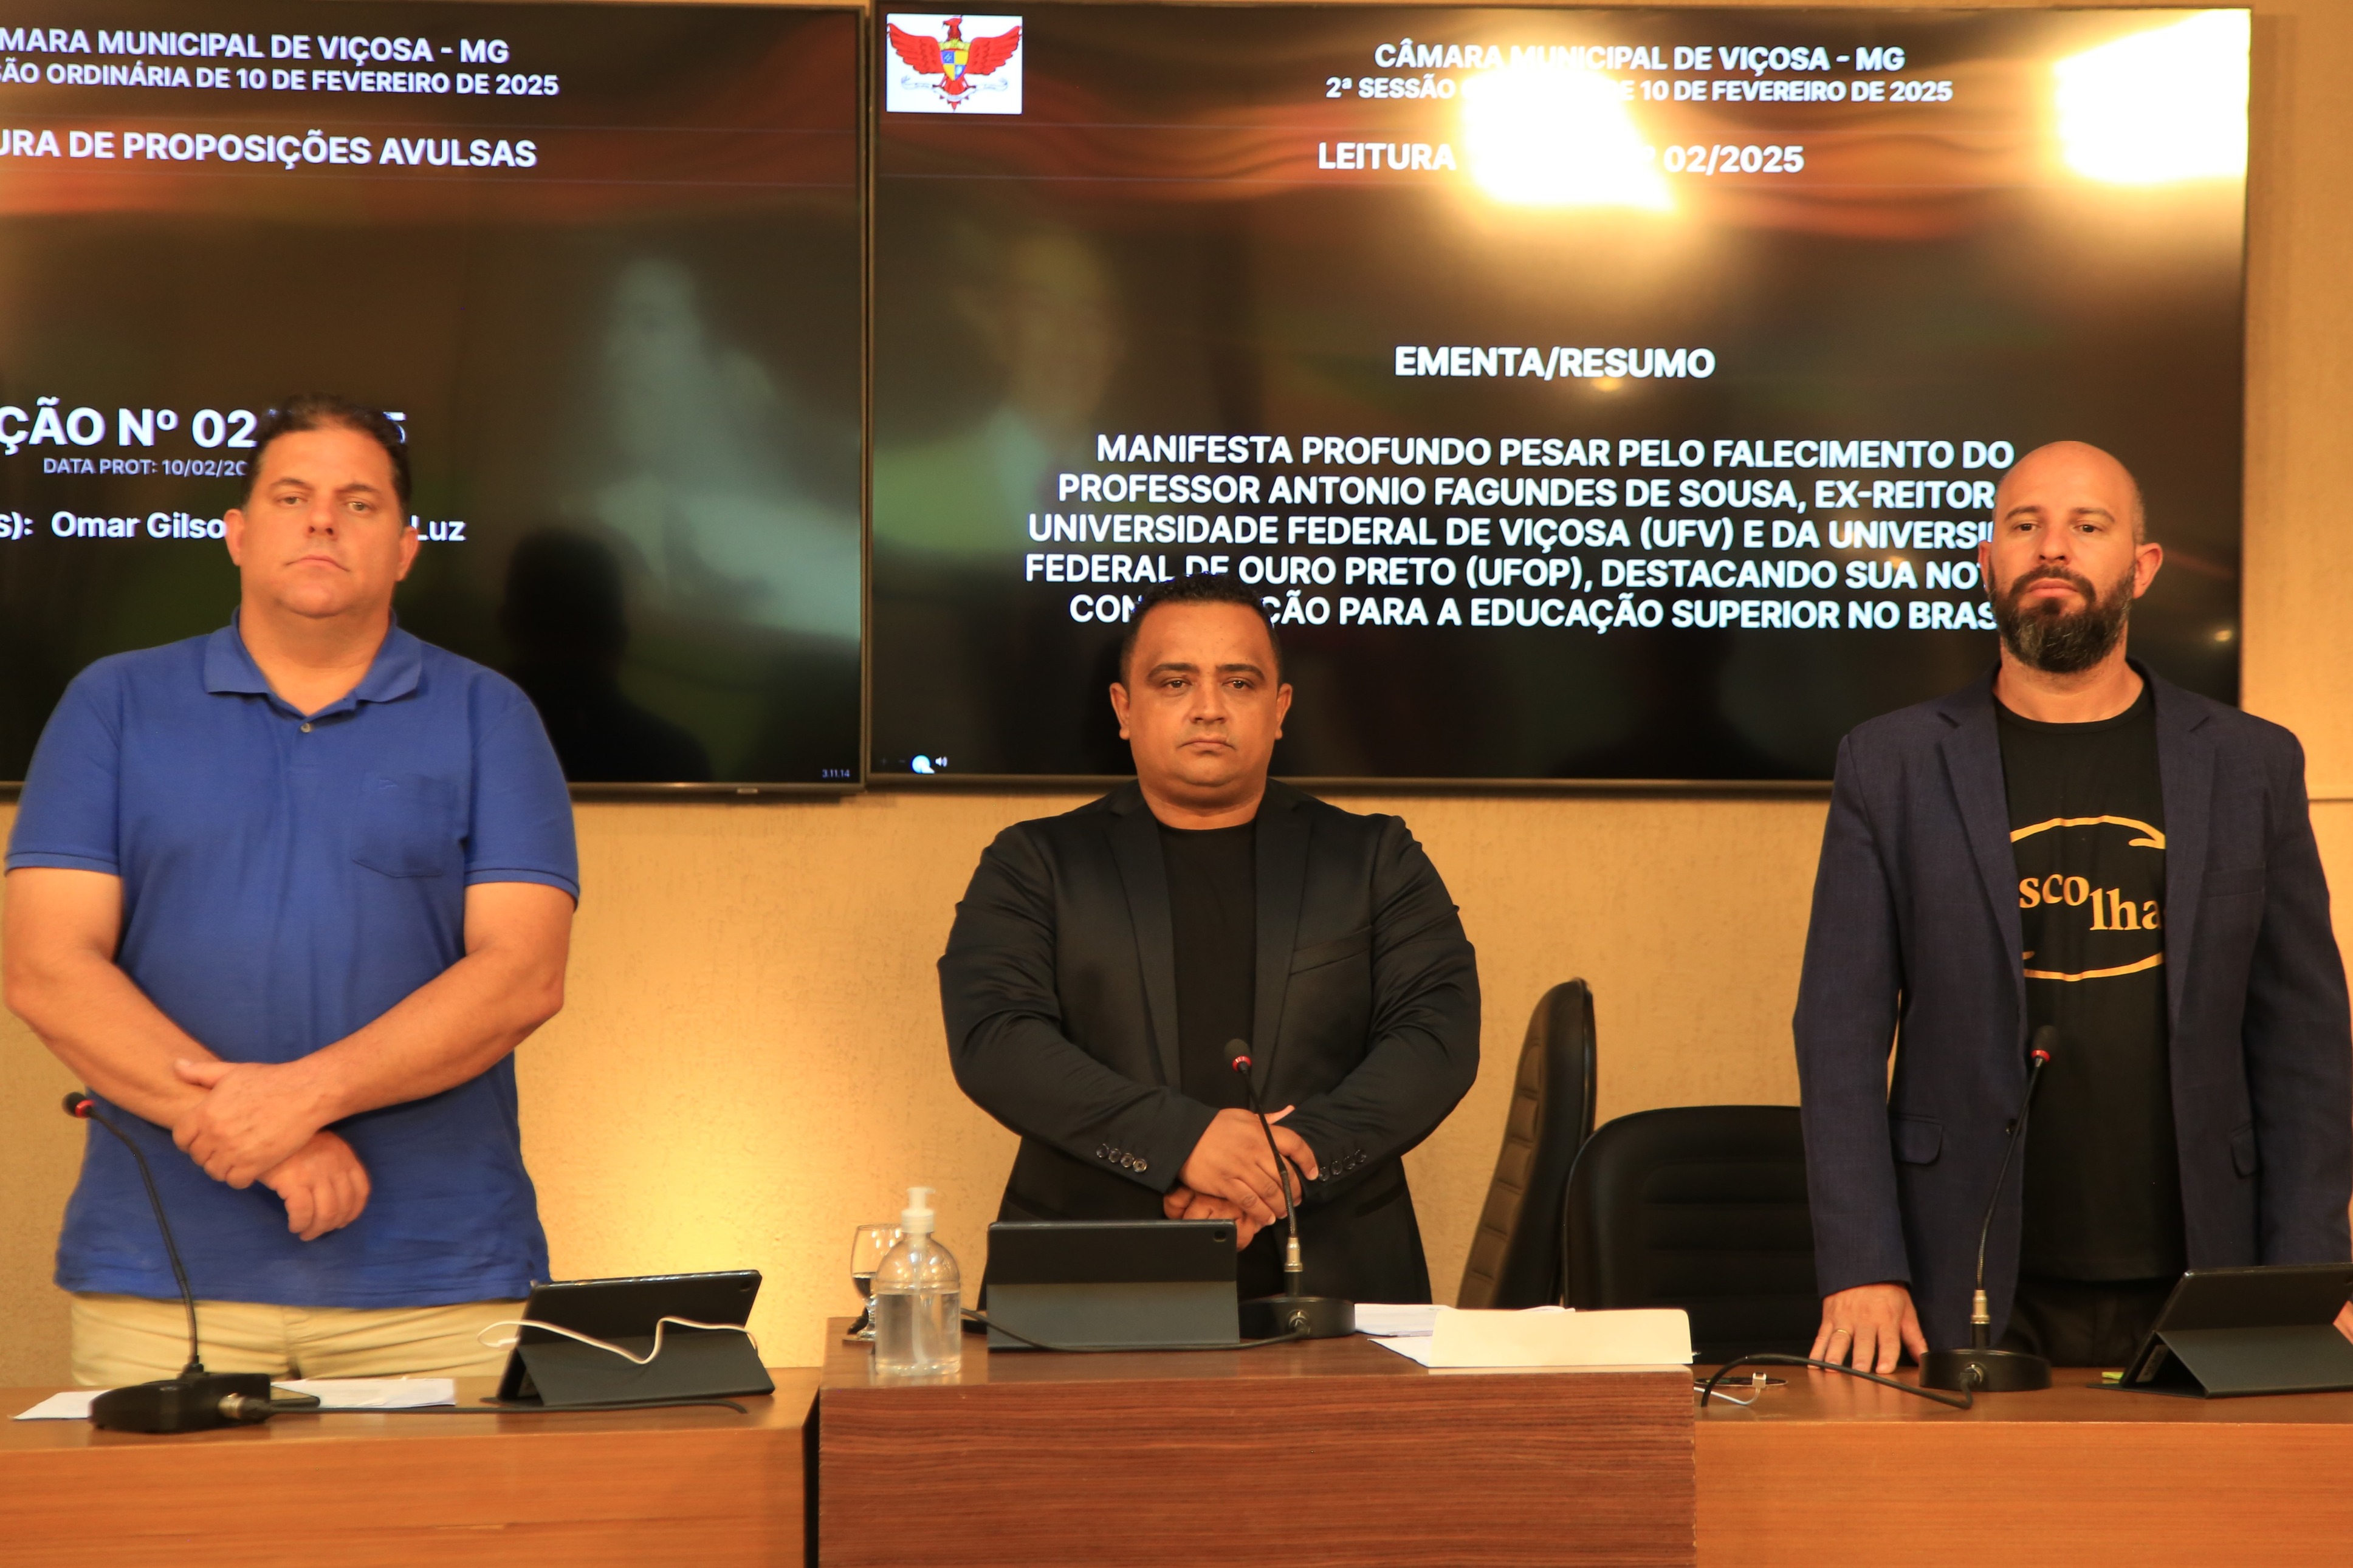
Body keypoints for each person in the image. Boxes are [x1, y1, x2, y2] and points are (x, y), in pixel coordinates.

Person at [4, 395, 579, 1385]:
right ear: (236, 534)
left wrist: (301, 1099)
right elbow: (48, 968)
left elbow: (522, 974)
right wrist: (273, 1144)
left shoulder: (492, 715)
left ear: (405, 549)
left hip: (437, 1286)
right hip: (165, 1287)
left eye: (359, 503)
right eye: (291, 496)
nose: (322, 521)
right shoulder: (111, 704)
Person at [1795, 440, 2352, 1372]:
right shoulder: (1890, 764)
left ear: (2142, 565)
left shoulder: (2251, 763)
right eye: (2026, 525)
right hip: (1958, 1276)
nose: (2053, 546)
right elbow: (1838, 1033)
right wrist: (1863, 1265)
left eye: (2088, 526)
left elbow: (2304, 1041)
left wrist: (2310, 1277)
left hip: (2208, 1269)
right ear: (1989, 561)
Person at [939, 574, 1480, 1302]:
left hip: (1333, 1275)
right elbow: (996, 1038)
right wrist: (1184, 1143)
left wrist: (1282, 1168)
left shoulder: (1375, 859)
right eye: (1174, 682)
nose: (1208, 708)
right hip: (1087, 1279)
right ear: (1123, 708)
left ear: (1279, 709)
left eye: (1238, 682)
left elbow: (1435, 1038)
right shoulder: (1033, 863)